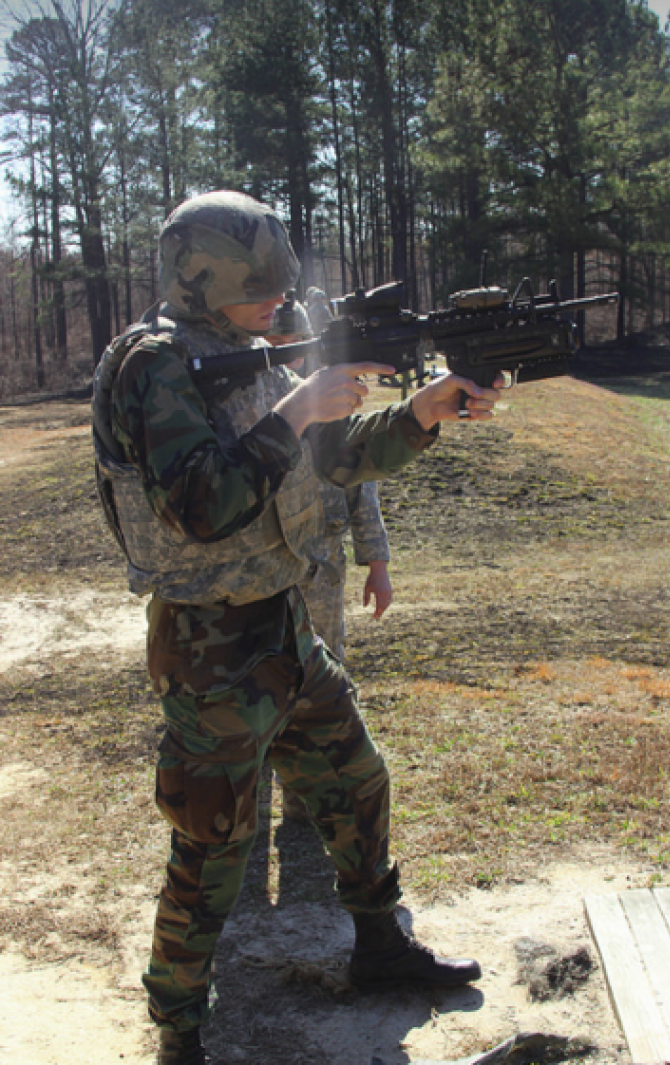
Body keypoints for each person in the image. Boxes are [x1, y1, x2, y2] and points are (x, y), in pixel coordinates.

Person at [92, 190, 506, 1065]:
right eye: (259, 284)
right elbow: (202, 504)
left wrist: (424, 412)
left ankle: (380, 944)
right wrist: (298, 408)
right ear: (198, 277)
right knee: (213, 842)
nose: (278, 298)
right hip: (208, 645)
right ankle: (179, 1025)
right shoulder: (151, 364)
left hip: (283, 625)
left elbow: (333, 457)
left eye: (280, 282)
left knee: (358, 777)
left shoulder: (243, 352)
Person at [267, 295, 394, 820]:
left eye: (293, 346)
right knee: (257, 687)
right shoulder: (246, 401)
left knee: (322, 682)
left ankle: (307, 800)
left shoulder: (327, 401)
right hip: (266, 573)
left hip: (322, 571)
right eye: (275, 346)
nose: (286, 356)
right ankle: (247, 806)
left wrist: (378, 565)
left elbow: (360, 486)